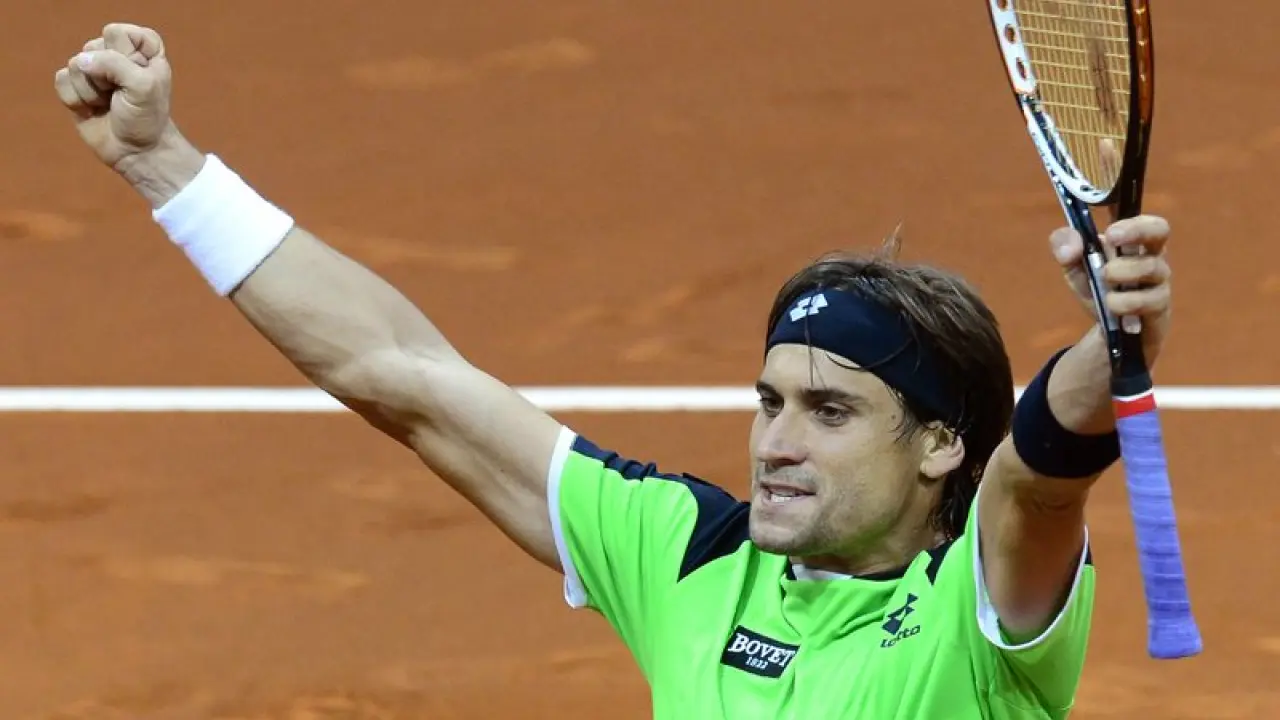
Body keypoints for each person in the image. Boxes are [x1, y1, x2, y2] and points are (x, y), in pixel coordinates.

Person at [54, 23, 1175, 719]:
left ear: (938, 445)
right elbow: (400, 371)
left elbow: (1037, 479)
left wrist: (1108, 345)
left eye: (830, 410)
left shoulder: (979, 612)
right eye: (770, 402)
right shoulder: (690, 555)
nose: (776, 444)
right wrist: (165, 166)